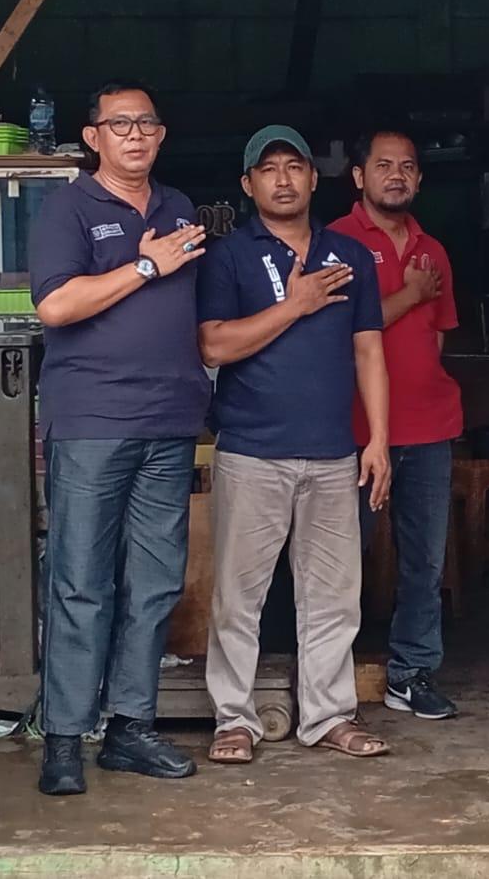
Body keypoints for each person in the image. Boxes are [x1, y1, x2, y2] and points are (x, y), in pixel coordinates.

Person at [27, 80, 211, 796]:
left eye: (147, 124)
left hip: (169, 420)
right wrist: (144, 265)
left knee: (156, 581)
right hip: (93, 421)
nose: (135, 135)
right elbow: (55, 304)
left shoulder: (178, 207)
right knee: (82, 581)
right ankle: (64, 737)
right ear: (93, 137)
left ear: (161, 136)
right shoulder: (69, 207)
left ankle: (131, 728)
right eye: (120, 124)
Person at [198, 125, 392, 764]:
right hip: (252, 452)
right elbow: (213, 345)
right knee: (239, 598)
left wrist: (378, 440)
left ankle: (329, 716)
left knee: (333, 597)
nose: (282, 180)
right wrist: (296, 303)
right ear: (248, 184)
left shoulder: (349, 255)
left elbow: (369, 351)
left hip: (335, 453)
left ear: (314, 178)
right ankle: (234, 719)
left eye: (294, 167)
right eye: (268, 169)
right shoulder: (229, 255)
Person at [329, 128, 463, 720]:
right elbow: (336, 331)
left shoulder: (434, 249)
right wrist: (408, 295)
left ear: (419, 179)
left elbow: (437, 336)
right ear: (359, 176)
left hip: (430, 425)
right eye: (383, 165)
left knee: (424, 562)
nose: (396, 175)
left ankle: (411, 673)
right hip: (354, 429)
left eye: (407, 166)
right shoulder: (334, 242)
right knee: (340, 559)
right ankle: (328, 677)